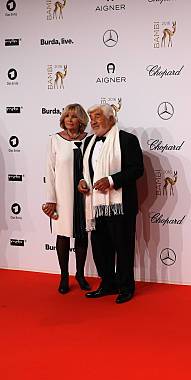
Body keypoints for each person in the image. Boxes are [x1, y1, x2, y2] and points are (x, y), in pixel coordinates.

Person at [78, 104, 144, 304]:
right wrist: (81, 182)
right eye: (91, 118)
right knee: (100, 247)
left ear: (111, 118)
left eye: (97, 116)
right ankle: (107, 284)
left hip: (120, 204)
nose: (93, 121)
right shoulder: (88, 141)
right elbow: (85, 171)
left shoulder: (127, 140)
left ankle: (126, 287)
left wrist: (112, 180)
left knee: (123, 247)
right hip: (95, 204)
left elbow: (136, 169)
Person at [43, 103, 91, 294]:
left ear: (81, 120)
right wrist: (51, 199)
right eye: (67, 116)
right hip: (62, 196)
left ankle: (80, 274)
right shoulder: (55, 139)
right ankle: (64, 276)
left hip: (84, 195)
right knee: (62, 236)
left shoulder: (90, 140)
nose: (69, 119)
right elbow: (50, 171)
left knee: (82, 235)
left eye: (74, 116)